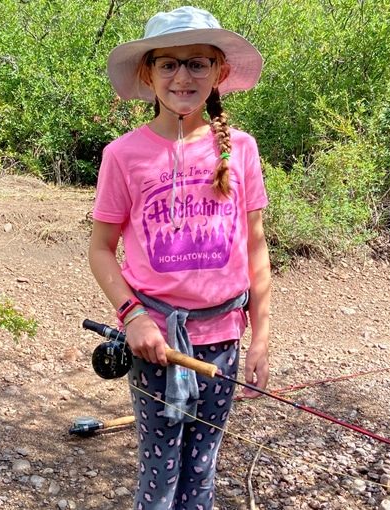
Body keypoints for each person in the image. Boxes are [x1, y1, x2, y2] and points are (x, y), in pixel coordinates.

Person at [88, 6, 271, 509]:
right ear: (148, 74)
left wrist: (261, 337)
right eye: (168, 63)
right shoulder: (123, 155)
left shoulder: (242, 150)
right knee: (161, 470)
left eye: (197, 63)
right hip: (156, 345)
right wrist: (134, 318)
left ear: (220, 72)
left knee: (202, 467)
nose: (183, 76)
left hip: (225, 339)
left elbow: (256, 247)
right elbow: (100, 249)